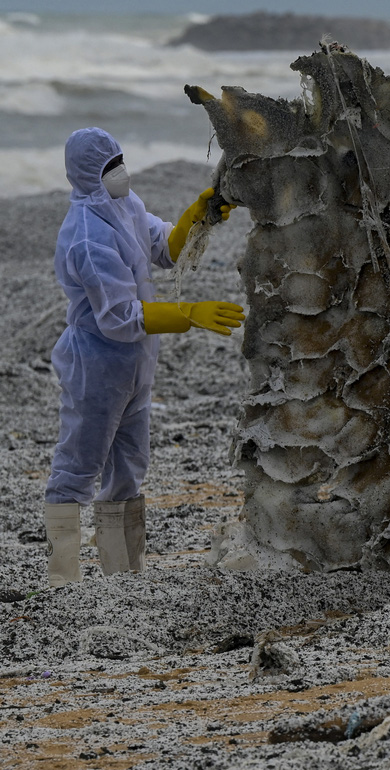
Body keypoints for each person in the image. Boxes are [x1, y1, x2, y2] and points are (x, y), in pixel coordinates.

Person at [44, 127, 244, 587]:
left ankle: (123, 576)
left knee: (129, 466)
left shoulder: (124, 206)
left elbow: (163, 248)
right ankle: (61, 580)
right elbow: (117, 316)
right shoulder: (86, 237)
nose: (120, 171)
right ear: (88, 175)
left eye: (120, 160)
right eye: (109, 166)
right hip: (96, 363)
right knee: (79, 464)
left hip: (134, 364)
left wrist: (199, 216)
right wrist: (188, 313)